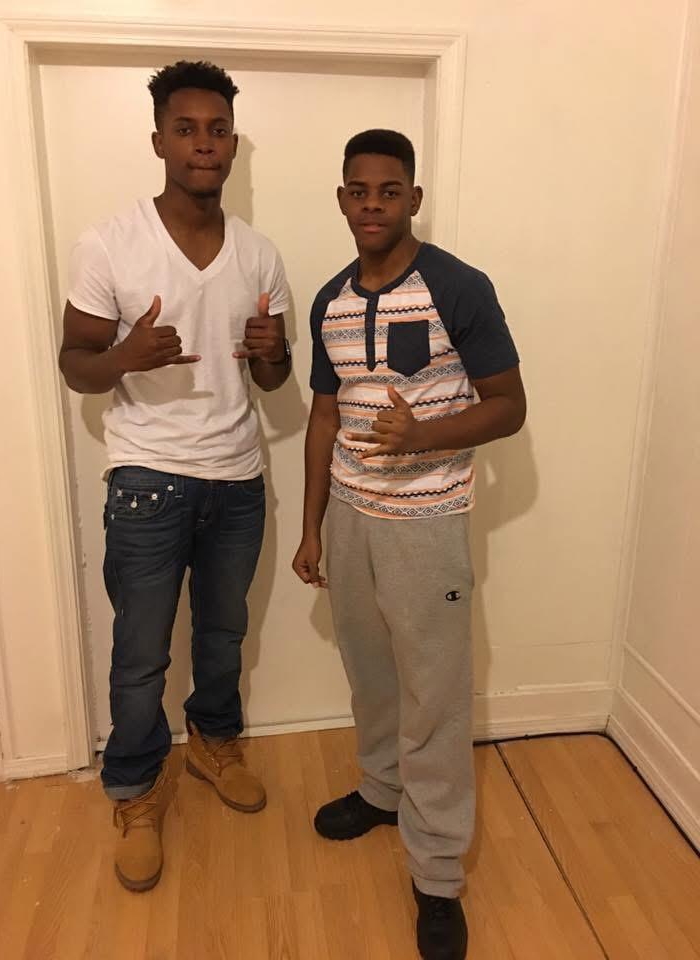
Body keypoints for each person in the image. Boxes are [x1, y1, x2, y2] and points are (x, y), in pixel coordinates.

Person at [292, 129, 526, 960]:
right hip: (351, 520)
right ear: (342, 199)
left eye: (389, 191)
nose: (372, 205)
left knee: (435, 697)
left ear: (413, 198)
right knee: (372, 676)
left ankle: (437, 876)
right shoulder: (329, 300)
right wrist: (313, 523)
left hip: (427, 523)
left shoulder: (459, 286)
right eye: (358, 191)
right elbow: (324, 416)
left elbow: (508, 405)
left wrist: (423, 435)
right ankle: (383, 792)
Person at [59, 60, 292, 892]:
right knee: (140, 653)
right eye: (186, 129)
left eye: (218, 130)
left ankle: (214, 744)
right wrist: (125, 355)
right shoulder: (110, 243)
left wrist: (273, 354)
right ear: (158, 140)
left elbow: (273, 380)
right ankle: (134, 789)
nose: (204, 144)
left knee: (223, 634)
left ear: (233, 143)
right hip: (147, 481)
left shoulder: (260, 253)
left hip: (237, 480)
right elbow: (74, 362)